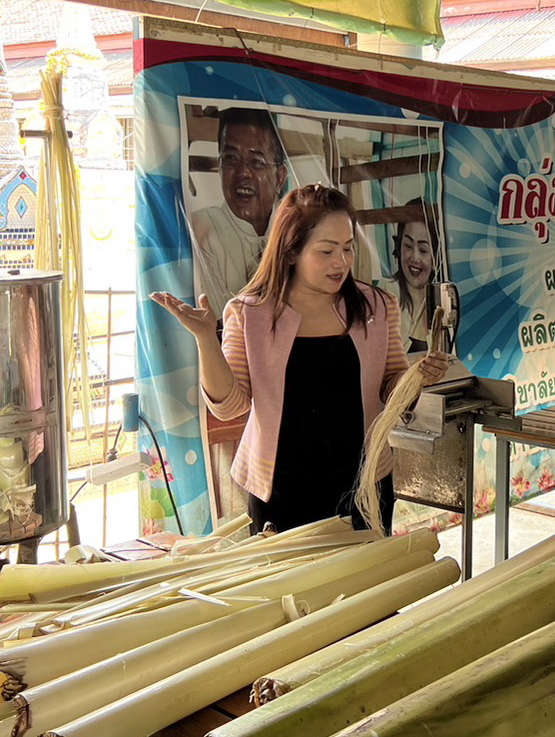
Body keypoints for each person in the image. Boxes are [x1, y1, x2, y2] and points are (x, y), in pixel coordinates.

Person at [156, 185, 449, 535]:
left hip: (365, 484)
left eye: (347, 248)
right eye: (326, 251)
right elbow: (230, 406)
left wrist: (417, 378)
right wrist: (205, 338)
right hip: (280, 491)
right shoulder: (250, 314)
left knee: (366, 585)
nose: (341, 262)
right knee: (289, 588)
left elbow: (391, 386)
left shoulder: (376, 307)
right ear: (291, 252)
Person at [189, 108, 290, 319]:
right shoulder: (203, 229)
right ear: (219, 167)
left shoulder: (294, 230)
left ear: (280, 178)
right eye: (231, 158)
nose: (243, 172)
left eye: (257, 162)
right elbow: (221, 322)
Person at [392, 201, 438, 354]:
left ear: (436, 255)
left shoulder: (445, 300)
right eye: (408, 246)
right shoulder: (384, 296)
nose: (414, 258)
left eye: (423, 250)